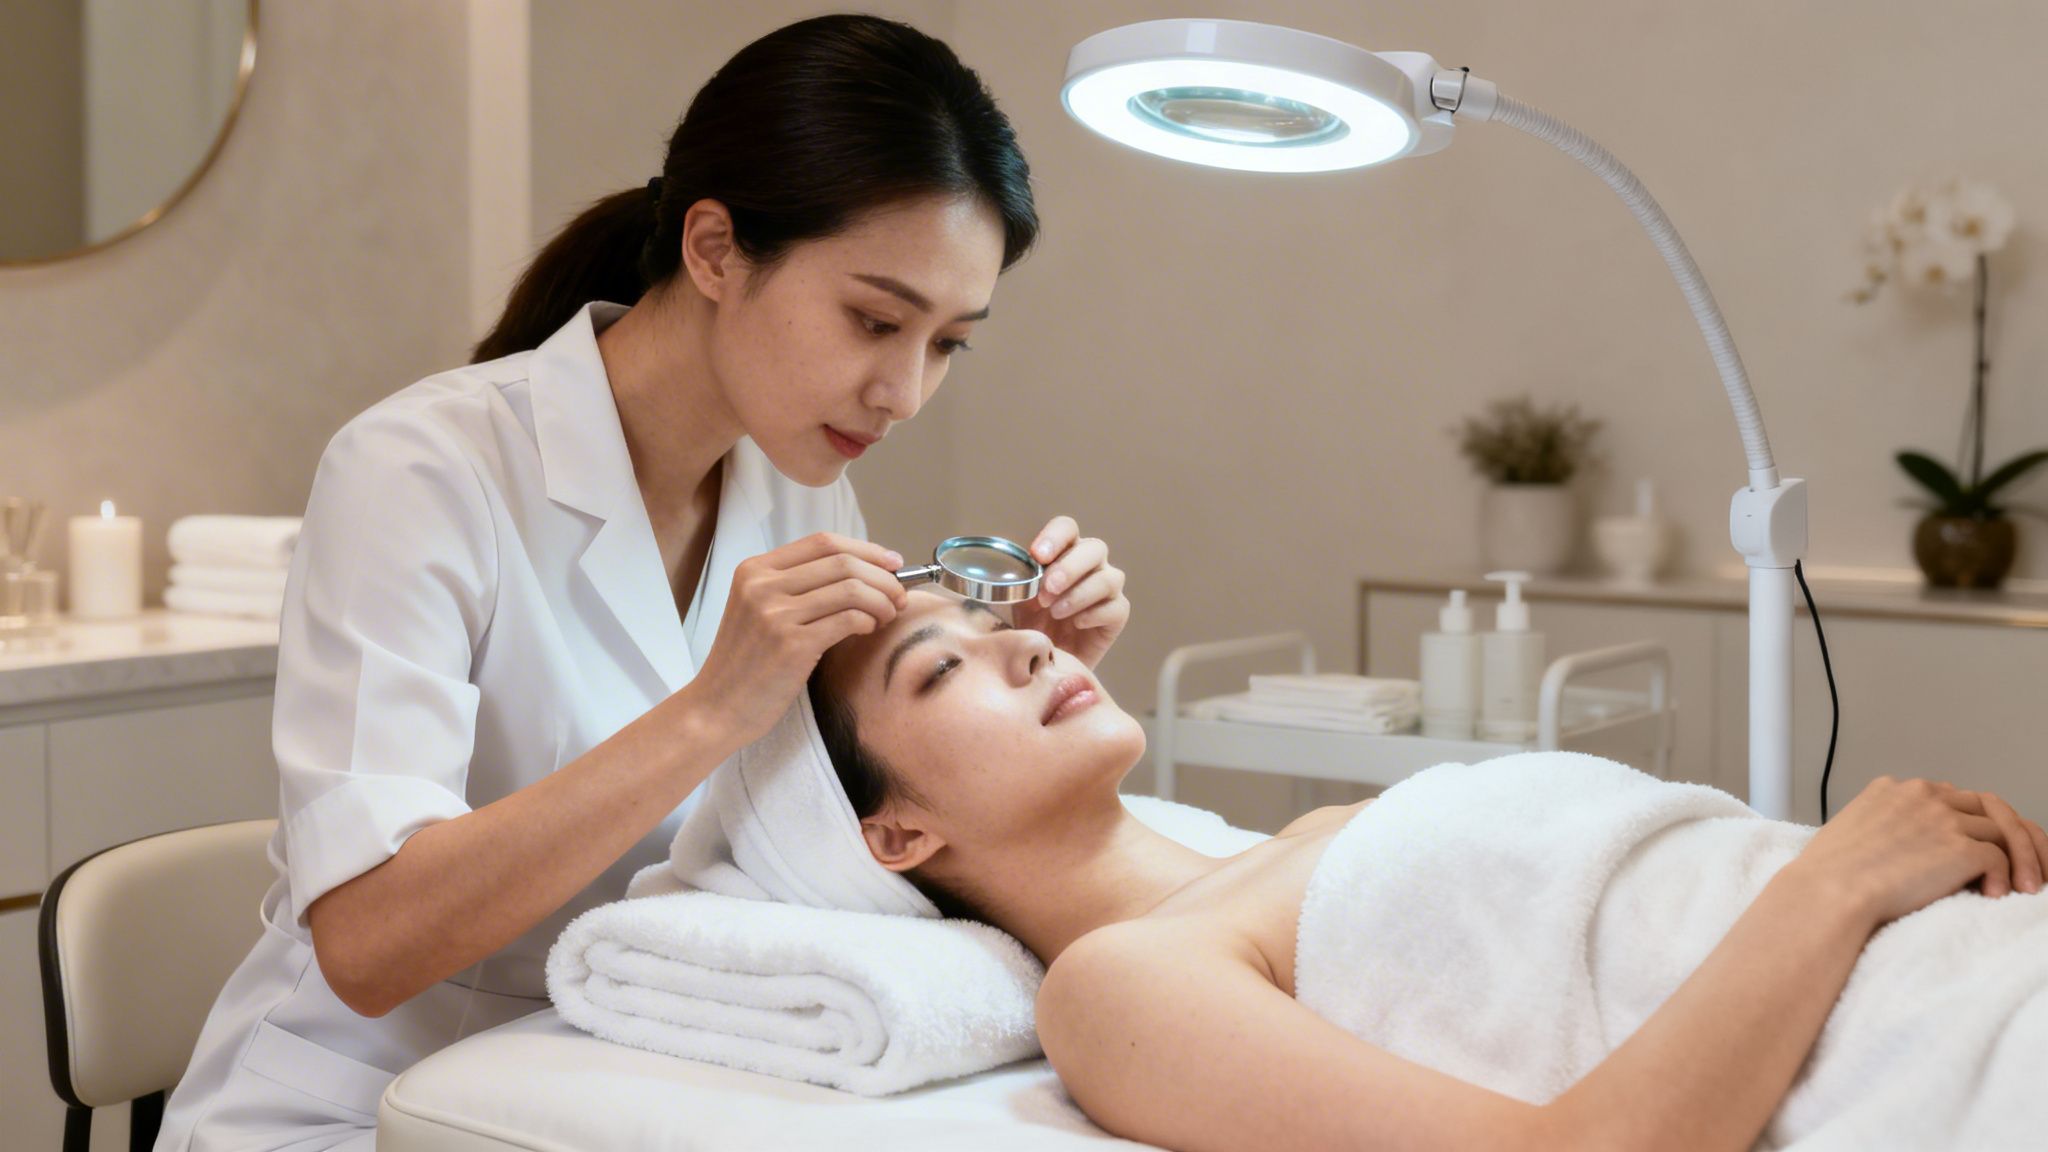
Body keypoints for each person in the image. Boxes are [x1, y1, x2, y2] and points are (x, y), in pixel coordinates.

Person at [156, 16, 1133, 1152]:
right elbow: (369, 945)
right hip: (361, 1107)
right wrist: (714, 711)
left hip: (627, 1074)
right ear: (713, 249)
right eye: (873, 321)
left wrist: (1038, 694)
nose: (903, 392)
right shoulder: (421, 470)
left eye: (946, 342)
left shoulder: (796, 483)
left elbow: (834, 835)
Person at [806, 588, 2048, 1152]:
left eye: (996, 616)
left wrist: (1884, 861)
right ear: (897, 834)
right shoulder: (1121, 982)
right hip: (1928, 1045)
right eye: (940, 666)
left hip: (1965, 953)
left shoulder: (1309, 840)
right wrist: (1833, 881)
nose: (1020, 641)